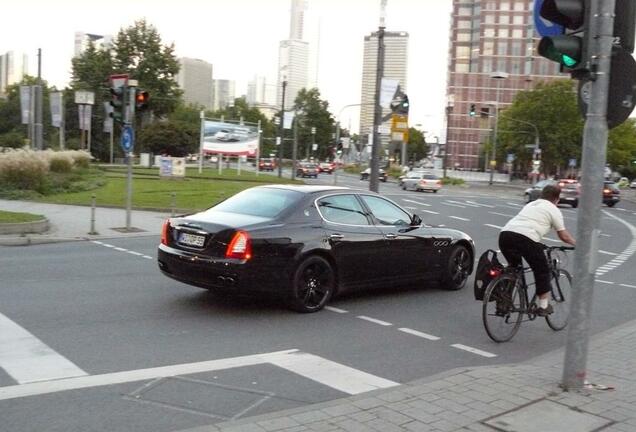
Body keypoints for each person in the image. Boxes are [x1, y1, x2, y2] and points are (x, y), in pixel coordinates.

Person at [499, 184, 576, 316]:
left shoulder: (531, 204)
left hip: (505, 236)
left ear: (542, 195)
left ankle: (503, 301)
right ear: (557, 199)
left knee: (514, 269)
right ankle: (543, 306)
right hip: (526, 239)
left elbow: (527, 225)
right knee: (542, 270)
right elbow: (563, 236)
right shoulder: (553, 209)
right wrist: (578, 244)